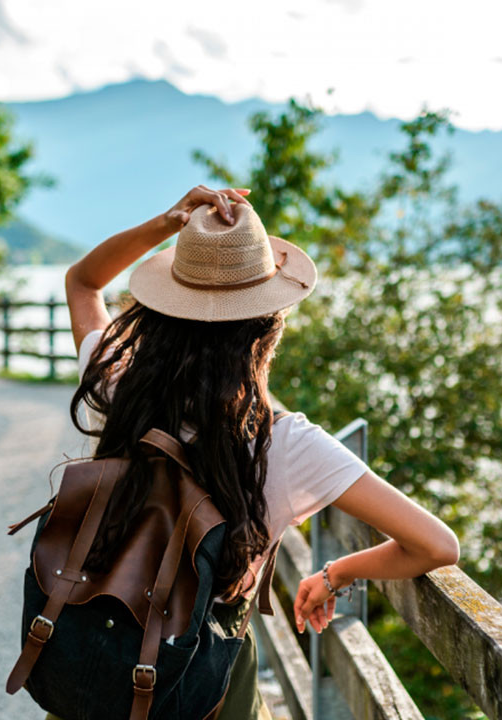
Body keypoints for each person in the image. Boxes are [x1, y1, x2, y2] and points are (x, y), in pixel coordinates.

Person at [59, 184, 460, 719]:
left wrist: (170, 221)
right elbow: (435, 544)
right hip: (205, 685)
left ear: (160, 310)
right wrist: (333, 574)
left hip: (96, 656)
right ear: (267, 328)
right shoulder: (287, 443)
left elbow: (83, 281)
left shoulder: (116, 382)